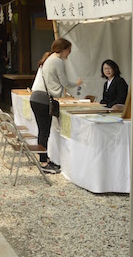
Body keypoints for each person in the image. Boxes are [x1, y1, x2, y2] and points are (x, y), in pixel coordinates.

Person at [30, 38, 83, 174]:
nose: (69, 54)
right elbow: (64, 82)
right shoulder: (57, 61)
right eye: (69, 50)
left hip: (37, 97)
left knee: (42, 130)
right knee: (44, 131)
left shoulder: (49, 59)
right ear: (64, 49)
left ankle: (44, 158)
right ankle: (43, 162)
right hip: (43, 99)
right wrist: (77, 84)